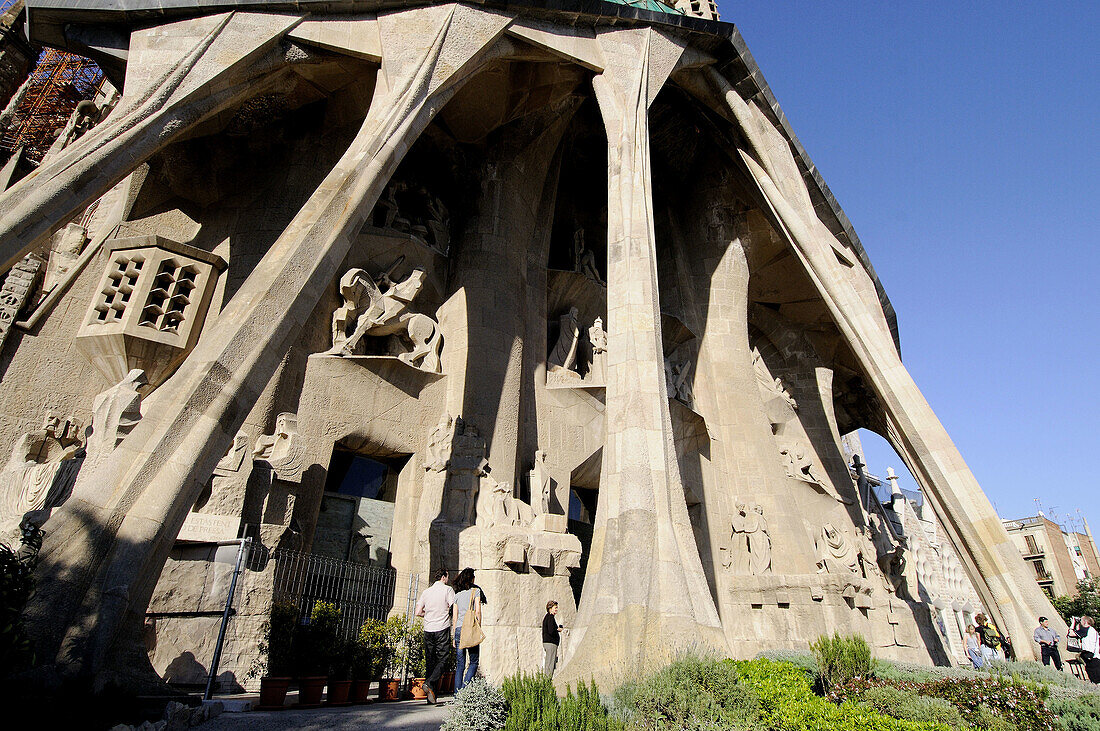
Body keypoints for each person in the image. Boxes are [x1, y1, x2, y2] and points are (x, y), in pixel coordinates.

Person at [414, 567, 455, 704]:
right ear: (443, 577)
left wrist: (429, 614)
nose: (447, 579)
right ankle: (430, 683)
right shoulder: (447, 589)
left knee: (430, 661)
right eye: (447, 576)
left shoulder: (426, 592)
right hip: (441, 627)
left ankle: (431, 697)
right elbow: (453, 607)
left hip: (428, 628)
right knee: (443, 658)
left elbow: (418, 612)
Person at [451, 567, 483, 693]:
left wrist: (454, 636)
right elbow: (478, 611)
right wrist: (478, 627)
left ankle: (457, 694)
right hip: (469, 629)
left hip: (458, 629)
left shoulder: (457, 595)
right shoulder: (476, 591)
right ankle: (464, 689)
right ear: (472, 579)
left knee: (460, 664)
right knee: (474, 661)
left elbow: (454, 617)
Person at [542, 600, 562, 676]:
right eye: (555, 608)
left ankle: (546, 680)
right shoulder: (550, 617)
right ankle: (547, 682)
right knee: (550, 663)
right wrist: (558, 629)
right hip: (551, 643)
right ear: (550, 608)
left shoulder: (548, 617)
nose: (556, 609)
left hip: (549, 643)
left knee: (549, 662)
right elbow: (551, 630)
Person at [1080, 615, 1100, 683]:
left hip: (1092, 657)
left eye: (1081, 620)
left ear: (1085, 622)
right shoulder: (1092, 630)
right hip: (1092, 656)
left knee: (1095, 678)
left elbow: (1071, 634)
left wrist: (1073, 623)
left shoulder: (1087, 630)